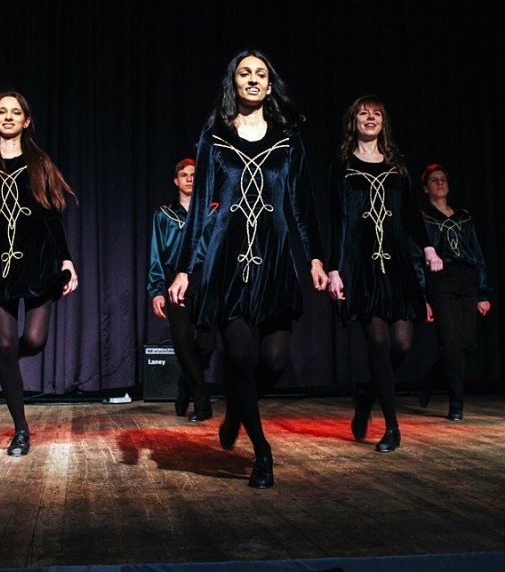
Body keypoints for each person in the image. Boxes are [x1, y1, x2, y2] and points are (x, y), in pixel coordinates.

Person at [168, 50, 329, 489]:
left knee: (273, 361)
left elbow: (302, 205)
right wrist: (184, 268)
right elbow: (199, 211)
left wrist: (315, 258)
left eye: (261, 74)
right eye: (245, 73)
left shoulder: (288, 140)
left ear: (270, 85)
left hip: (274, 259)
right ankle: (262, 452)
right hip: (227, 261)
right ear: (234, 83)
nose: (253, 79)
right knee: (240, 357)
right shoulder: (215, 139)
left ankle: (238, 410)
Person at [0, 91, 78, 456]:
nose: (9, 117)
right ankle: (21, 430)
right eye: (2, 111)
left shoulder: (39, 162)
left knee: (36, 340)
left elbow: (51, 214)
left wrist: (66, 259)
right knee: (5, 344)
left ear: (26, 121)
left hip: (38, 261)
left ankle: (6, 359)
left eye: (15, 112)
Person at [326, 96, 442, 452]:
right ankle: (392, 427)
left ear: (383, 123)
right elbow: (336, 221)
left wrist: (428, 248)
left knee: (402, 344)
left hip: (397, 264)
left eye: (376, 114)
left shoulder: (397, 168)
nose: (370, 118)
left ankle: (367, 394)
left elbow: (411, 214)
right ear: (354, 121)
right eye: (363, 113)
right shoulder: (342, 167)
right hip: (361, 265)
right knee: (378, 342)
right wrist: (334, 268)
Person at [415, 163, 492, 420]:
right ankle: (456, 404)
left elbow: (477, 254)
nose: (440, 183)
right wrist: (423, 298)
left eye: (443, 179)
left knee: (467, 343)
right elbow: (417, 260)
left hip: (466, 279)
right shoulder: (423, 219)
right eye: (434, 180)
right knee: (450, 343)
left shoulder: (464, 217)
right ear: (425, 188)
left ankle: (431, 378)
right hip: (441, 280)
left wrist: (482, 293)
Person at [147, 158, 218, 422]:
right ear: (175, 181)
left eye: (194, 175)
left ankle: (186, 384)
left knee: (208, 343)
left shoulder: (213, 212)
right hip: (175, 282)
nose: (189, 178)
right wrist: (156, 290)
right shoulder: (164, 215)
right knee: (183, 341)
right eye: (184, 175)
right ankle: (202, 404)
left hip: (206, 281)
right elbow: (156, 254)